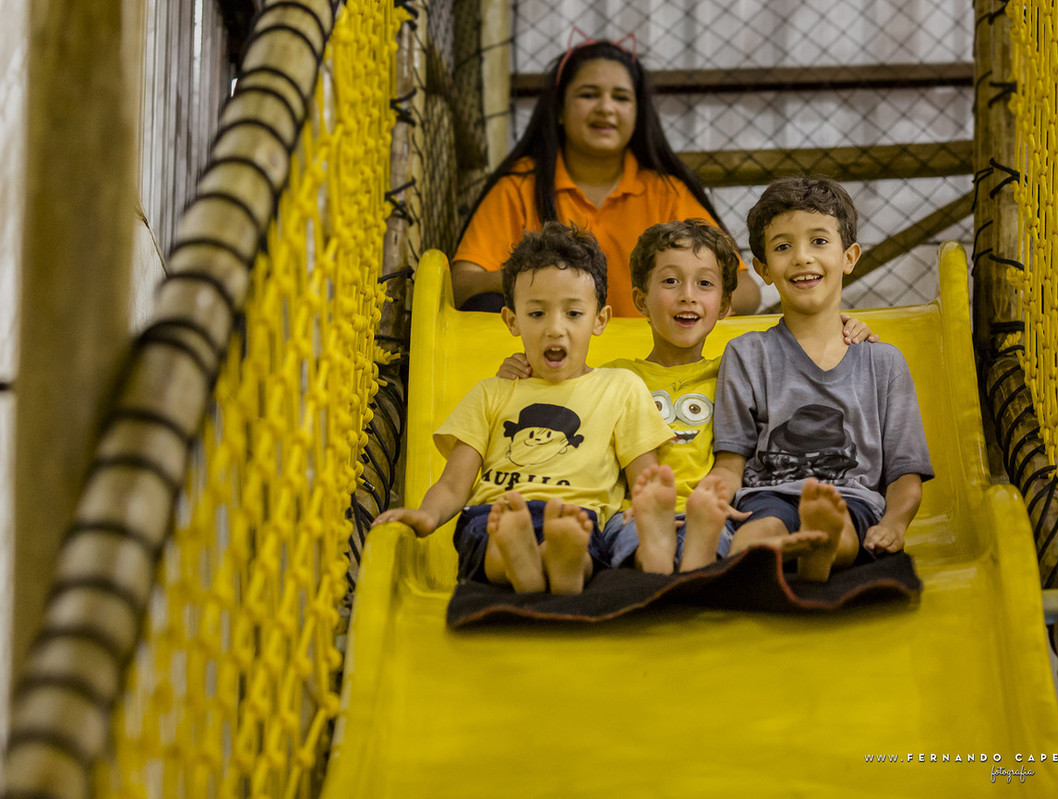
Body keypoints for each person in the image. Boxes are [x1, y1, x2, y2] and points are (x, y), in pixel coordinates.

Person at [497, 218, 876, 573]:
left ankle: (695, 557)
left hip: (715, 512)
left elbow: (802, 375)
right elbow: (557, 403)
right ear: (641, 300)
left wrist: (845, 329)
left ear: (724, 306)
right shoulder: (611, 377)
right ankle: (673, 559)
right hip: (633, 512)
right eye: (671, 282)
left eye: (705, 285)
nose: (687, 297)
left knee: (734, 544)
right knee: (636, 544)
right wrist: (521, 370)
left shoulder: (736, 371)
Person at [372, 222, 673, 595]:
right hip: (497, 514)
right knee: (495, 543)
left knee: (577, 546)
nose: (555, 329)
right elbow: (454, 483)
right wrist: (427, 514)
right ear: (512, 321)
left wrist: (648, 511)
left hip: (576, 518)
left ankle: (542, 566)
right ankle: (526, 560)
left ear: (600, 320)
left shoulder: (620, 388)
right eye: (536, 314)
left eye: (573, 314)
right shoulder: (492, 393)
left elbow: (646, 473)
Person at [710, 176, 934, 582]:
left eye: (819, 241)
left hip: (848, 500)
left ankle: (820, 546)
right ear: (761, 269)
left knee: (843, 528)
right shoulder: (747, 355)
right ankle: (791, 553)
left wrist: (895, 525)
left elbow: (905, 475)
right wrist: (706, 507)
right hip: (766, 496)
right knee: (755, 534)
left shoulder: (883, 364)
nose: (801, 258)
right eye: (782, 247)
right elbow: (730, 463)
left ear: (849, 257)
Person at [450, 37, 761, 318]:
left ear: (638, 115)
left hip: (651, 368)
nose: (606, 108)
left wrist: (694, 307)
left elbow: (746, 289)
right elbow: (461, 283)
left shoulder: (666, 193)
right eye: (589, 94)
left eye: (621, 98)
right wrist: (527, 276)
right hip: (547, 368)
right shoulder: (519, 187)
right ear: (558, 109)